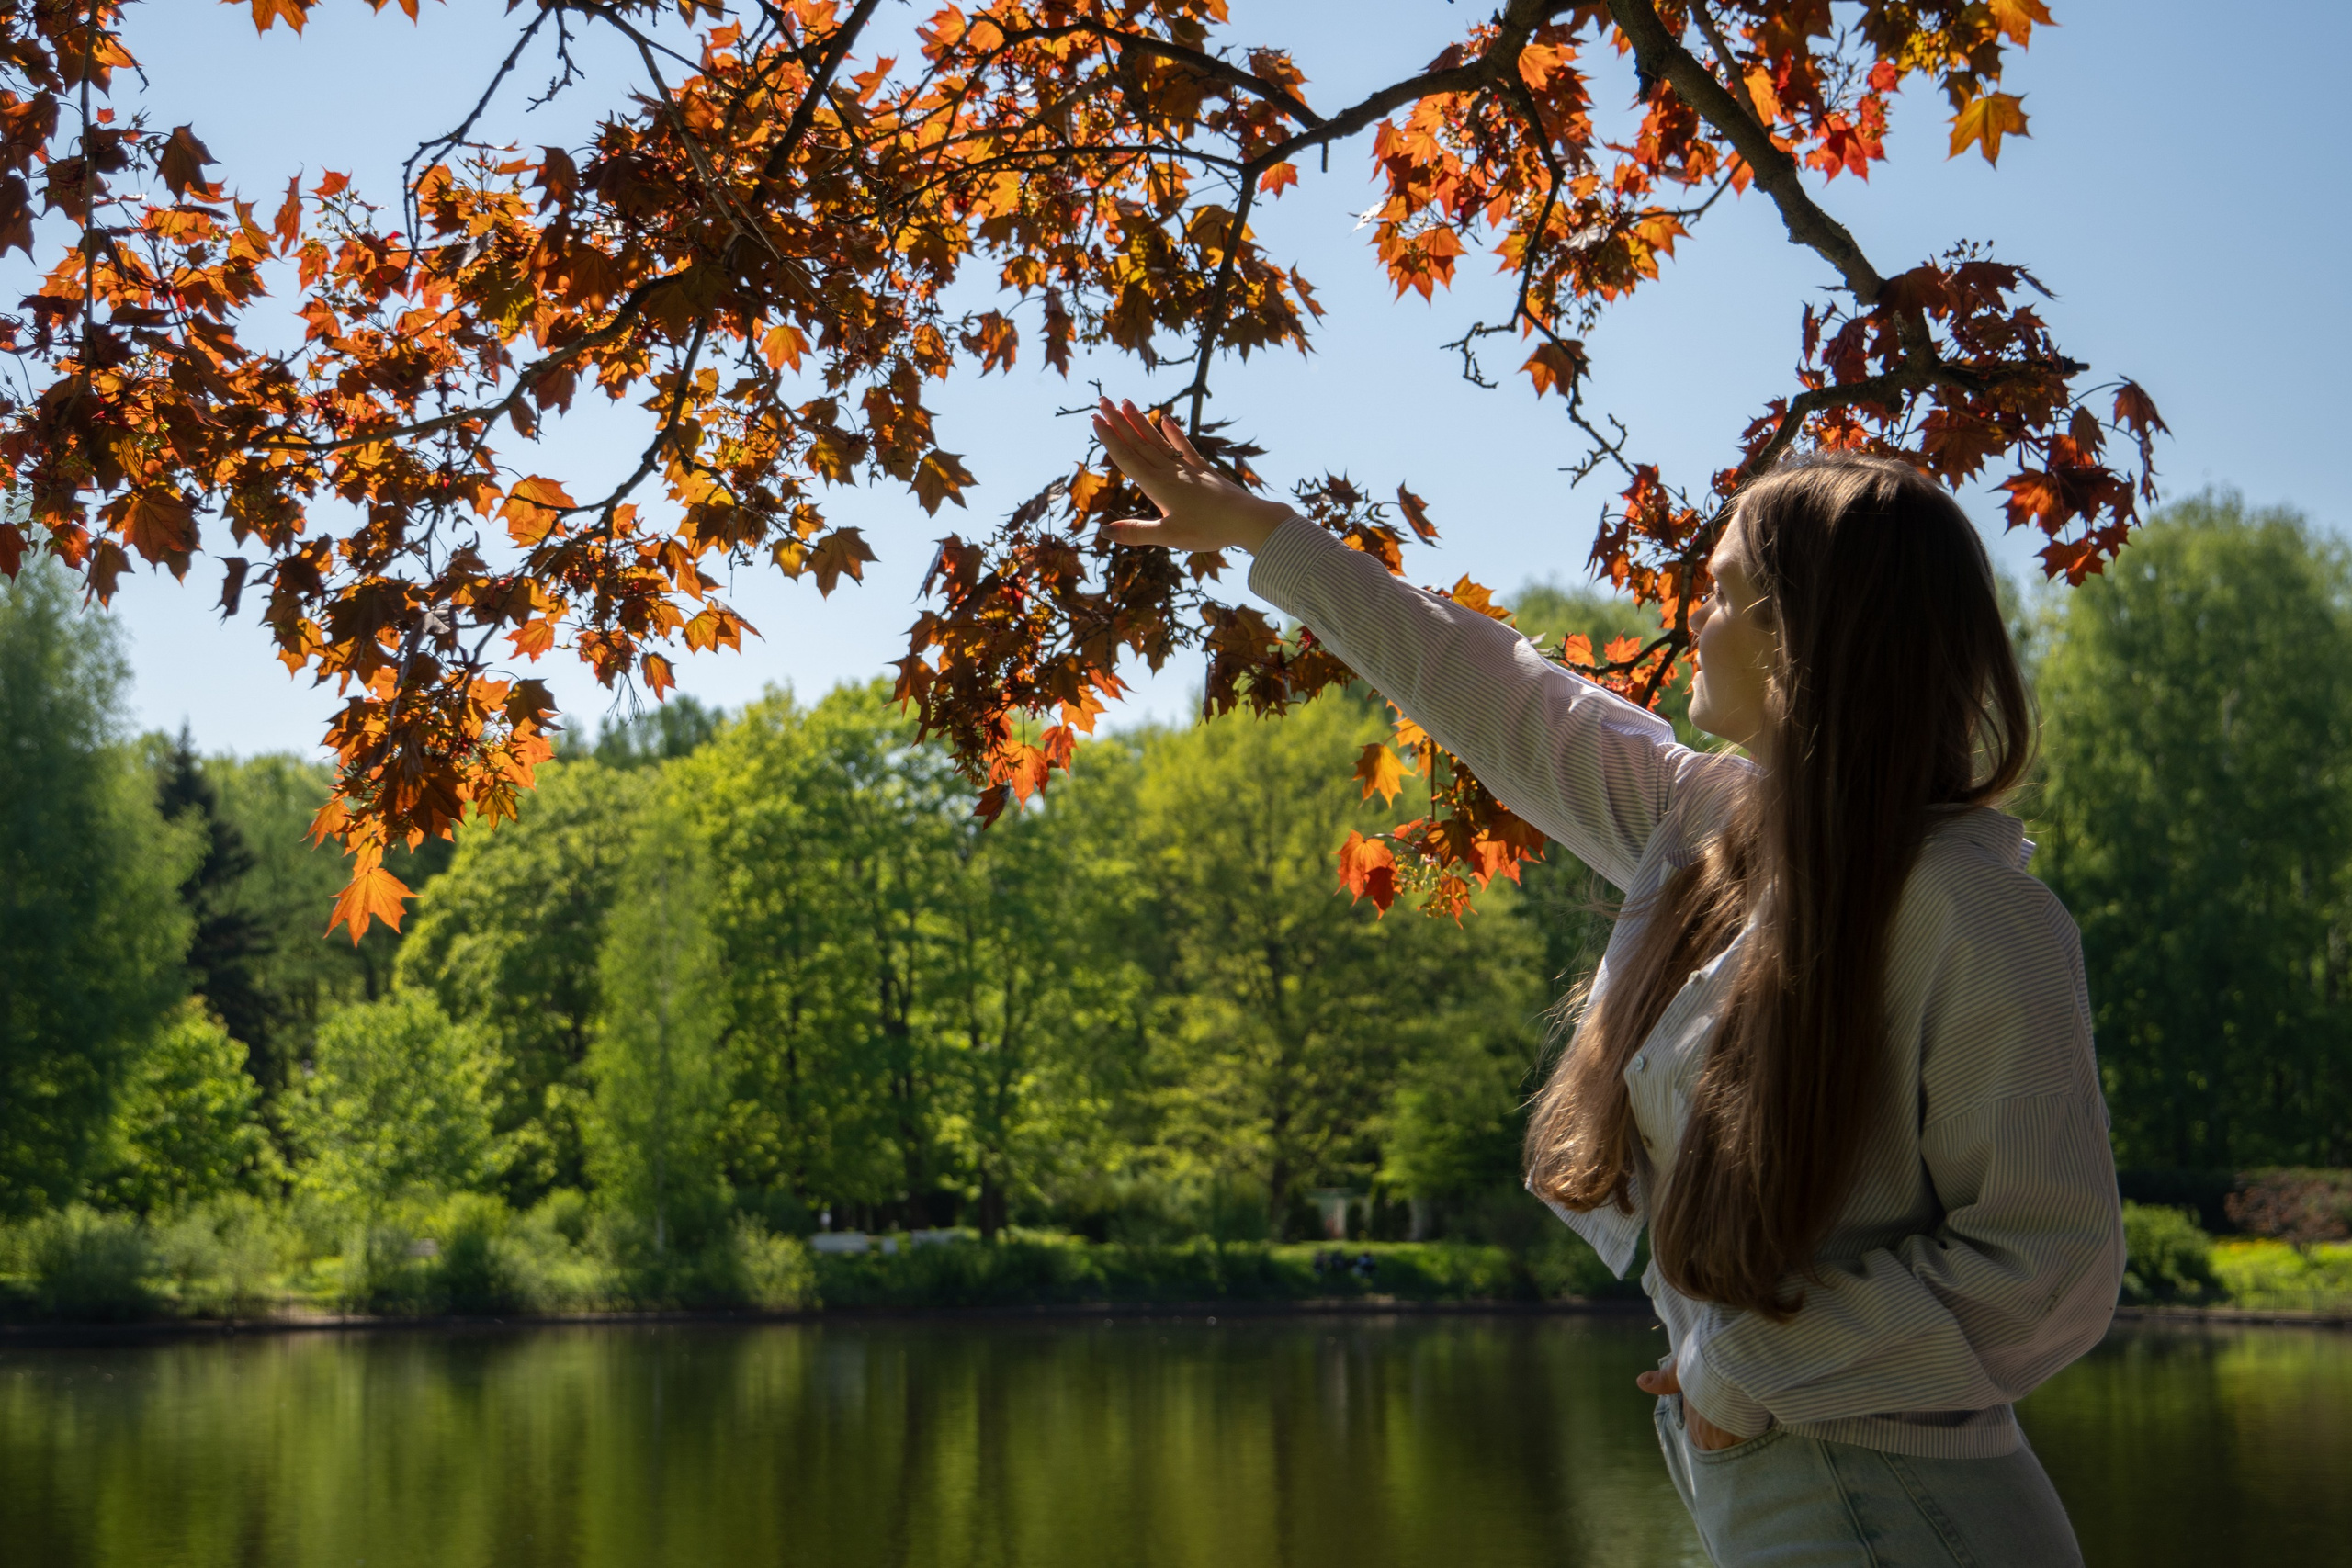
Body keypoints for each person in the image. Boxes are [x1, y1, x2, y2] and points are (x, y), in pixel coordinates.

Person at [1091, 397, 2124, 1568]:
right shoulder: (1715, 829)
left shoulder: (1975, 915)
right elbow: (1497, 692)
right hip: (1784, 1495)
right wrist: (1261, 534)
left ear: (1800, 639)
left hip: (1905, 1517)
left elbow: (2051, 1267)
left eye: (1727, 592)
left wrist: (1737, 1370)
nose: (1697, 614)